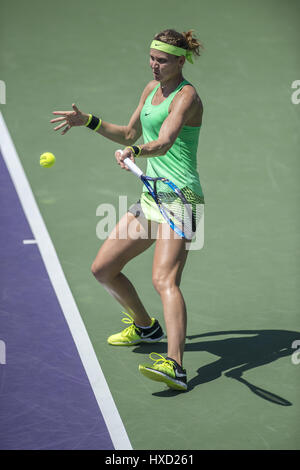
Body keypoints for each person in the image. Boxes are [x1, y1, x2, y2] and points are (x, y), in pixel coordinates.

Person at [51, 29, 205, 392]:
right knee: (103, 268)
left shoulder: (188, 96)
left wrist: (136, 154)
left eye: (162, 60)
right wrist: (88, 121)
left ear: (181, 61)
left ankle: (175, 366)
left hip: (179, 197)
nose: (154, 64)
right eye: (152, 57)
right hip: (153, 197)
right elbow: (129, 133)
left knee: (164, 280)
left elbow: (164, 142)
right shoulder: (151, 90)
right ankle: (145, 326)